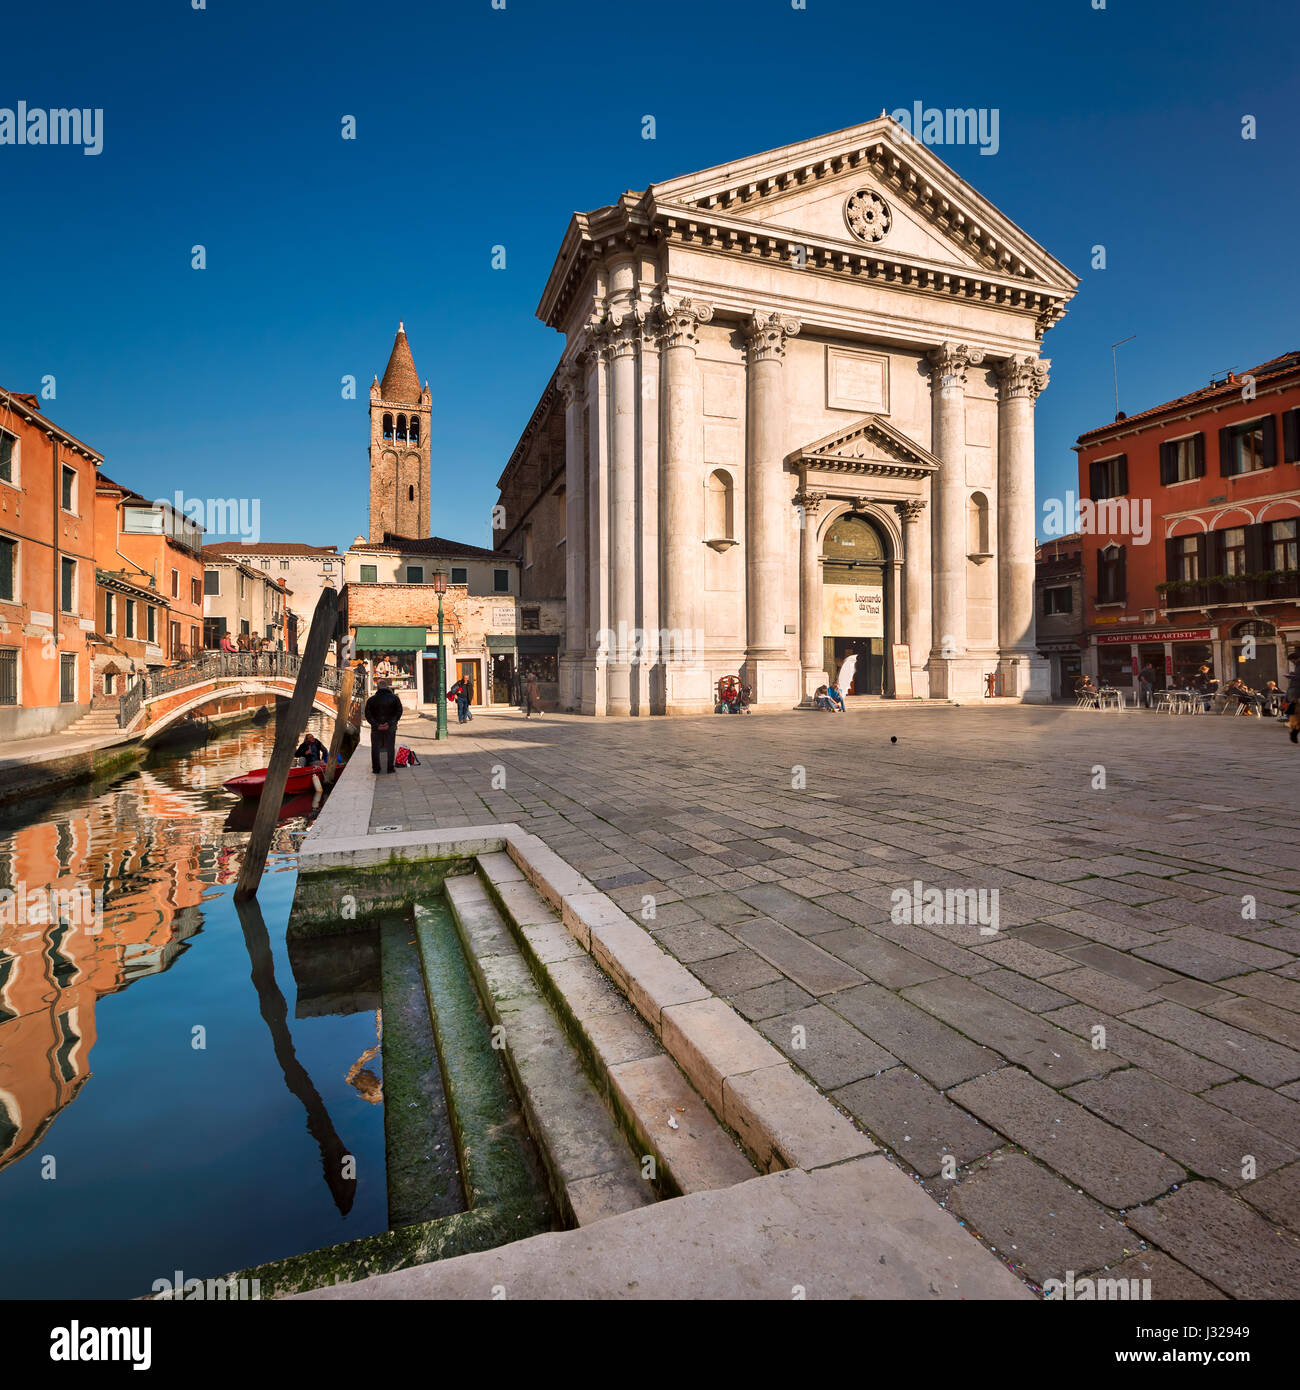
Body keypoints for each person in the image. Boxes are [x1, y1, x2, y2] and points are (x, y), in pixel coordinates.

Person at [364, 677, 403, 774]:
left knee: (375, 748)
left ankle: (376, 768)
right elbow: (398, 712)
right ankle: (390, 768)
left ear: (377, 688)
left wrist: (377, 725)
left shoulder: (371, 700)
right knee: (390, 747)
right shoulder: (394, 698)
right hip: (390, 727)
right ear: (387, 687)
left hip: (376, 728)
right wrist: (389, 723)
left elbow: (368, 715)